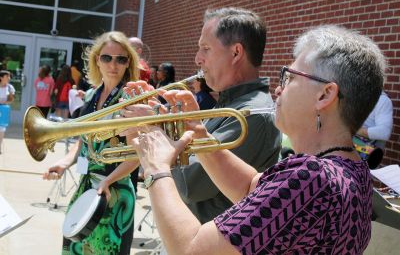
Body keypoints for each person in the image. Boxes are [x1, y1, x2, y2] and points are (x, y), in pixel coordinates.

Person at [126, 24, 386, 254]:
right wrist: (198, 132)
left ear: (325, 95)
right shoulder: (354, 170)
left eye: (291, 77)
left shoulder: (311, 177)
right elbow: (252, 187)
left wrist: (155, 167)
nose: (278, 88)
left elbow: (191, 251)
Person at [123, 7, 281, 224]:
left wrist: (155, 129)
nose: (197, 59)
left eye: (205, 48)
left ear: (236, 52)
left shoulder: (251, 115)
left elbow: (190, 186)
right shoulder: (227, 104)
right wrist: (161, 120)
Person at [43, 31, 140, 255]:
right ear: (97, 60)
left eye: (120, 59)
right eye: (107, 57)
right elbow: (82, 143)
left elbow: (135, 156)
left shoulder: (131, 100)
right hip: (87, 187)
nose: (113, 64)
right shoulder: (90, 97)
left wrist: (108, 181)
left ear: (128, 63)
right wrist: (64, 163)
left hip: (115, 195)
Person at [0, 70, 15, 153]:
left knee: (2, 128)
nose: (9, 78)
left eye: (9, 76)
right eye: (7, 76)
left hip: (3, 109)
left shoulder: (10, 87)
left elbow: (12, 99)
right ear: (1, 78)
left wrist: (6, 102)